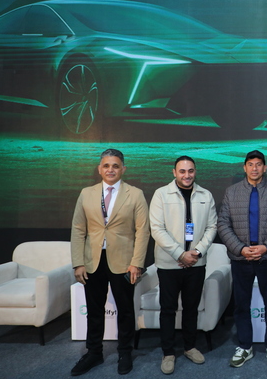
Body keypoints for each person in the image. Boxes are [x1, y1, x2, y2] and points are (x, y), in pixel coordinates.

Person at [70, 149, 150, 376]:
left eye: (115, 166)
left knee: (125, 310)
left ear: (123, 169)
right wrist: (78, 262)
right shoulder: (86, 193)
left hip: (124, 262)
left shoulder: (135, 194)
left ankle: (125, 352)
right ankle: (94, 352)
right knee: (94, 310)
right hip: (92, 261)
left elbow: (142, 231)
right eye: (106, 166)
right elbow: (78, 229)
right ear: (99, 169)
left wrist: (137, 263)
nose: (110, 170)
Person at [217, 150, 267, 369]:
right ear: (245, 167)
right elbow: (223, 224)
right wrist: (241, 249)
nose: (255, 168)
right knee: (241, 305)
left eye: (259, 164)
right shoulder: (231, 192)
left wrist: (266, 247)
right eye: (250, 164)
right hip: (241, 259)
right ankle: (245, 346)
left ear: (265, 168)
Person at [149, 156, 217, 374]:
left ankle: (190, 347)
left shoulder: (206, 195)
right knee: (168, 309)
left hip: (196, 263)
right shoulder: (161, 194)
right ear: (174, 172)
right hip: (169, 264)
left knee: (191, 308)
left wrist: (197, 252)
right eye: (182, 171)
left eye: (190, 171)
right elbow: (157, 229)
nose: (187, 175)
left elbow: (212, 227)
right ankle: (168, 353)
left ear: (195, 172)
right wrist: (180, 254)